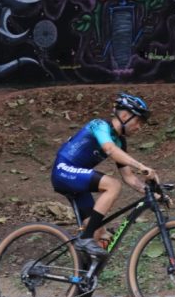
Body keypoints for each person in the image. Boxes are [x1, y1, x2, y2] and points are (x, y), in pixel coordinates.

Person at [51, 93, 158, 262]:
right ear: (124, 116)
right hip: (64, 171)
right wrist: (141, 166)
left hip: (77, 181)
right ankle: (85, 239)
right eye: (138, 121)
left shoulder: (120, 141)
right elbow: (109, 149)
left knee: (100, 235)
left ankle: (83, 281)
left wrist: (155, 193)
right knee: (112, 185)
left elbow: (129, 178)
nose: (139, 127)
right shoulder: (99, 125)